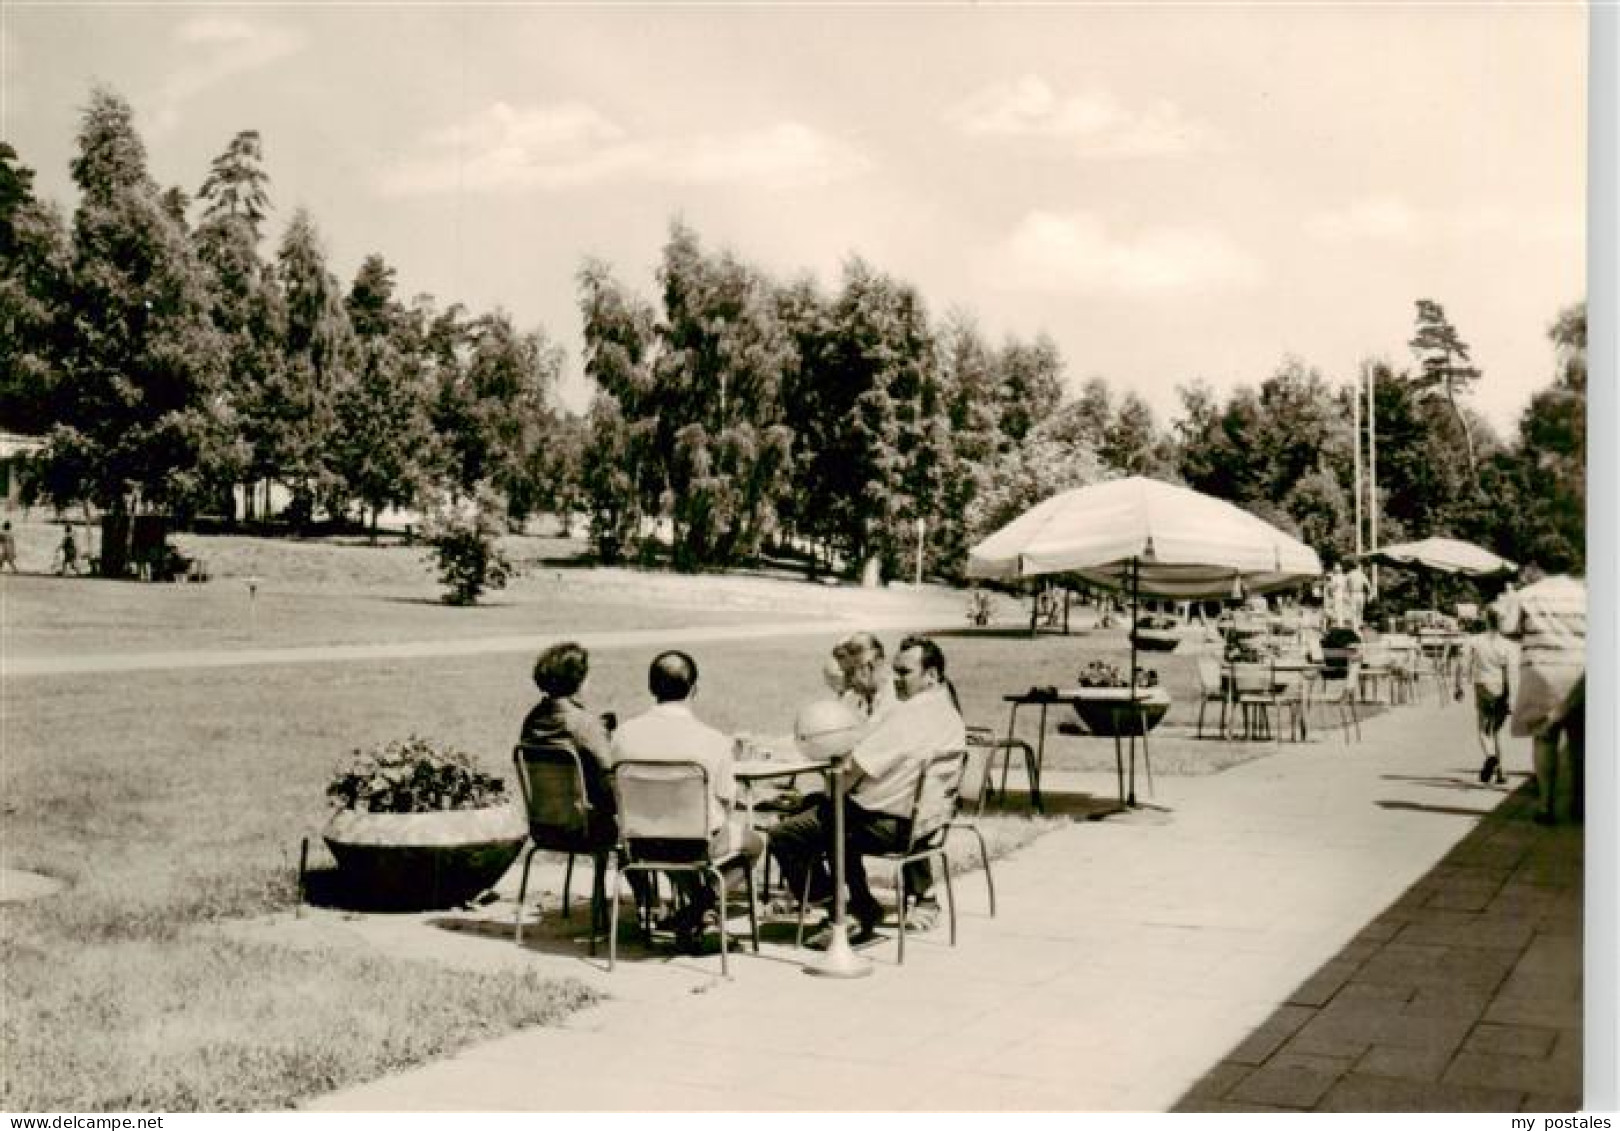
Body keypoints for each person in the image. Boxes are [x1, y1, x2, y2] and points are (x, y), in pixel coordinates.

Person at [769, 634, 966, 945]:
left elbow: (854, 769)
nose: (896, 679)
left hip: (889, 824)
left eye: (905, 673)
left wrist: (833, 791)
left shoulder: (911, 714)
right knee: (819, 812)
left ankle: (841, 912)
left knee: (786, 834)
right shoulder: (947, 711)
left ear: (931, 675)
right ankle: (860, 906)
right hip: (924, 822)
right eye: (895, 670)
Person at [611, 650, 763, 952]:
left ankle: (693, 911)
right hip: (695, 844)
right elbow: (727, 800)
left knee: (680, 841)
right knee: (755, 844)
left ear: (652, 688)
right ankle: (697, 911)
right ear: (694, 689)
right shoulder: (713, 740)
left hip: (640, 843)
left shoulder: (623, 735)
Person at [1500, 571, 1586, 825]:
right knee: (1579, 741)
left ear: (1538, 566)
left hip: (1541, 671)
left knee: (1544, 738)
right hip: (1581, 671)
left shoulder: (1527, 595)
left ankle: (1546, 805)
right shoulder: (1587, 594)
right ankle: (1580, 804)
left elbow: (1508, 629)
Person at [1453, 606, 1514, 784]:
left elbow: (1462, 664)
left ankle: (1490, 757)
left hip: (1482, 685)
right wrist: (1511, 696)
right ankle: (1501, 771)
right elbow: (1510, 672)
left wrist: (1458, 686)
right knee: (1498, 731)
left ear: (1486, 620)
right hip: (1501, 687)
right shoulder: (1507, 645)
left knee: (1483, 728)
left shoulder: (1475, 641)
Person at [1345, 562, 1371, 629]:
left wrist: (1347, 593)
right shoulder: (1361, 574)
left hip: (1354, 593)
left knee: (1354, 610)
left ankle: (1355, 625)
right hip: (1360, 593)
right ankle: (1359, 624)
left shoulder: (1350, 574)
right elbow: (1368, 585)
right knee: (1359, 610)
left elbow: (1346, 585)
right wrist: (1369, 594)